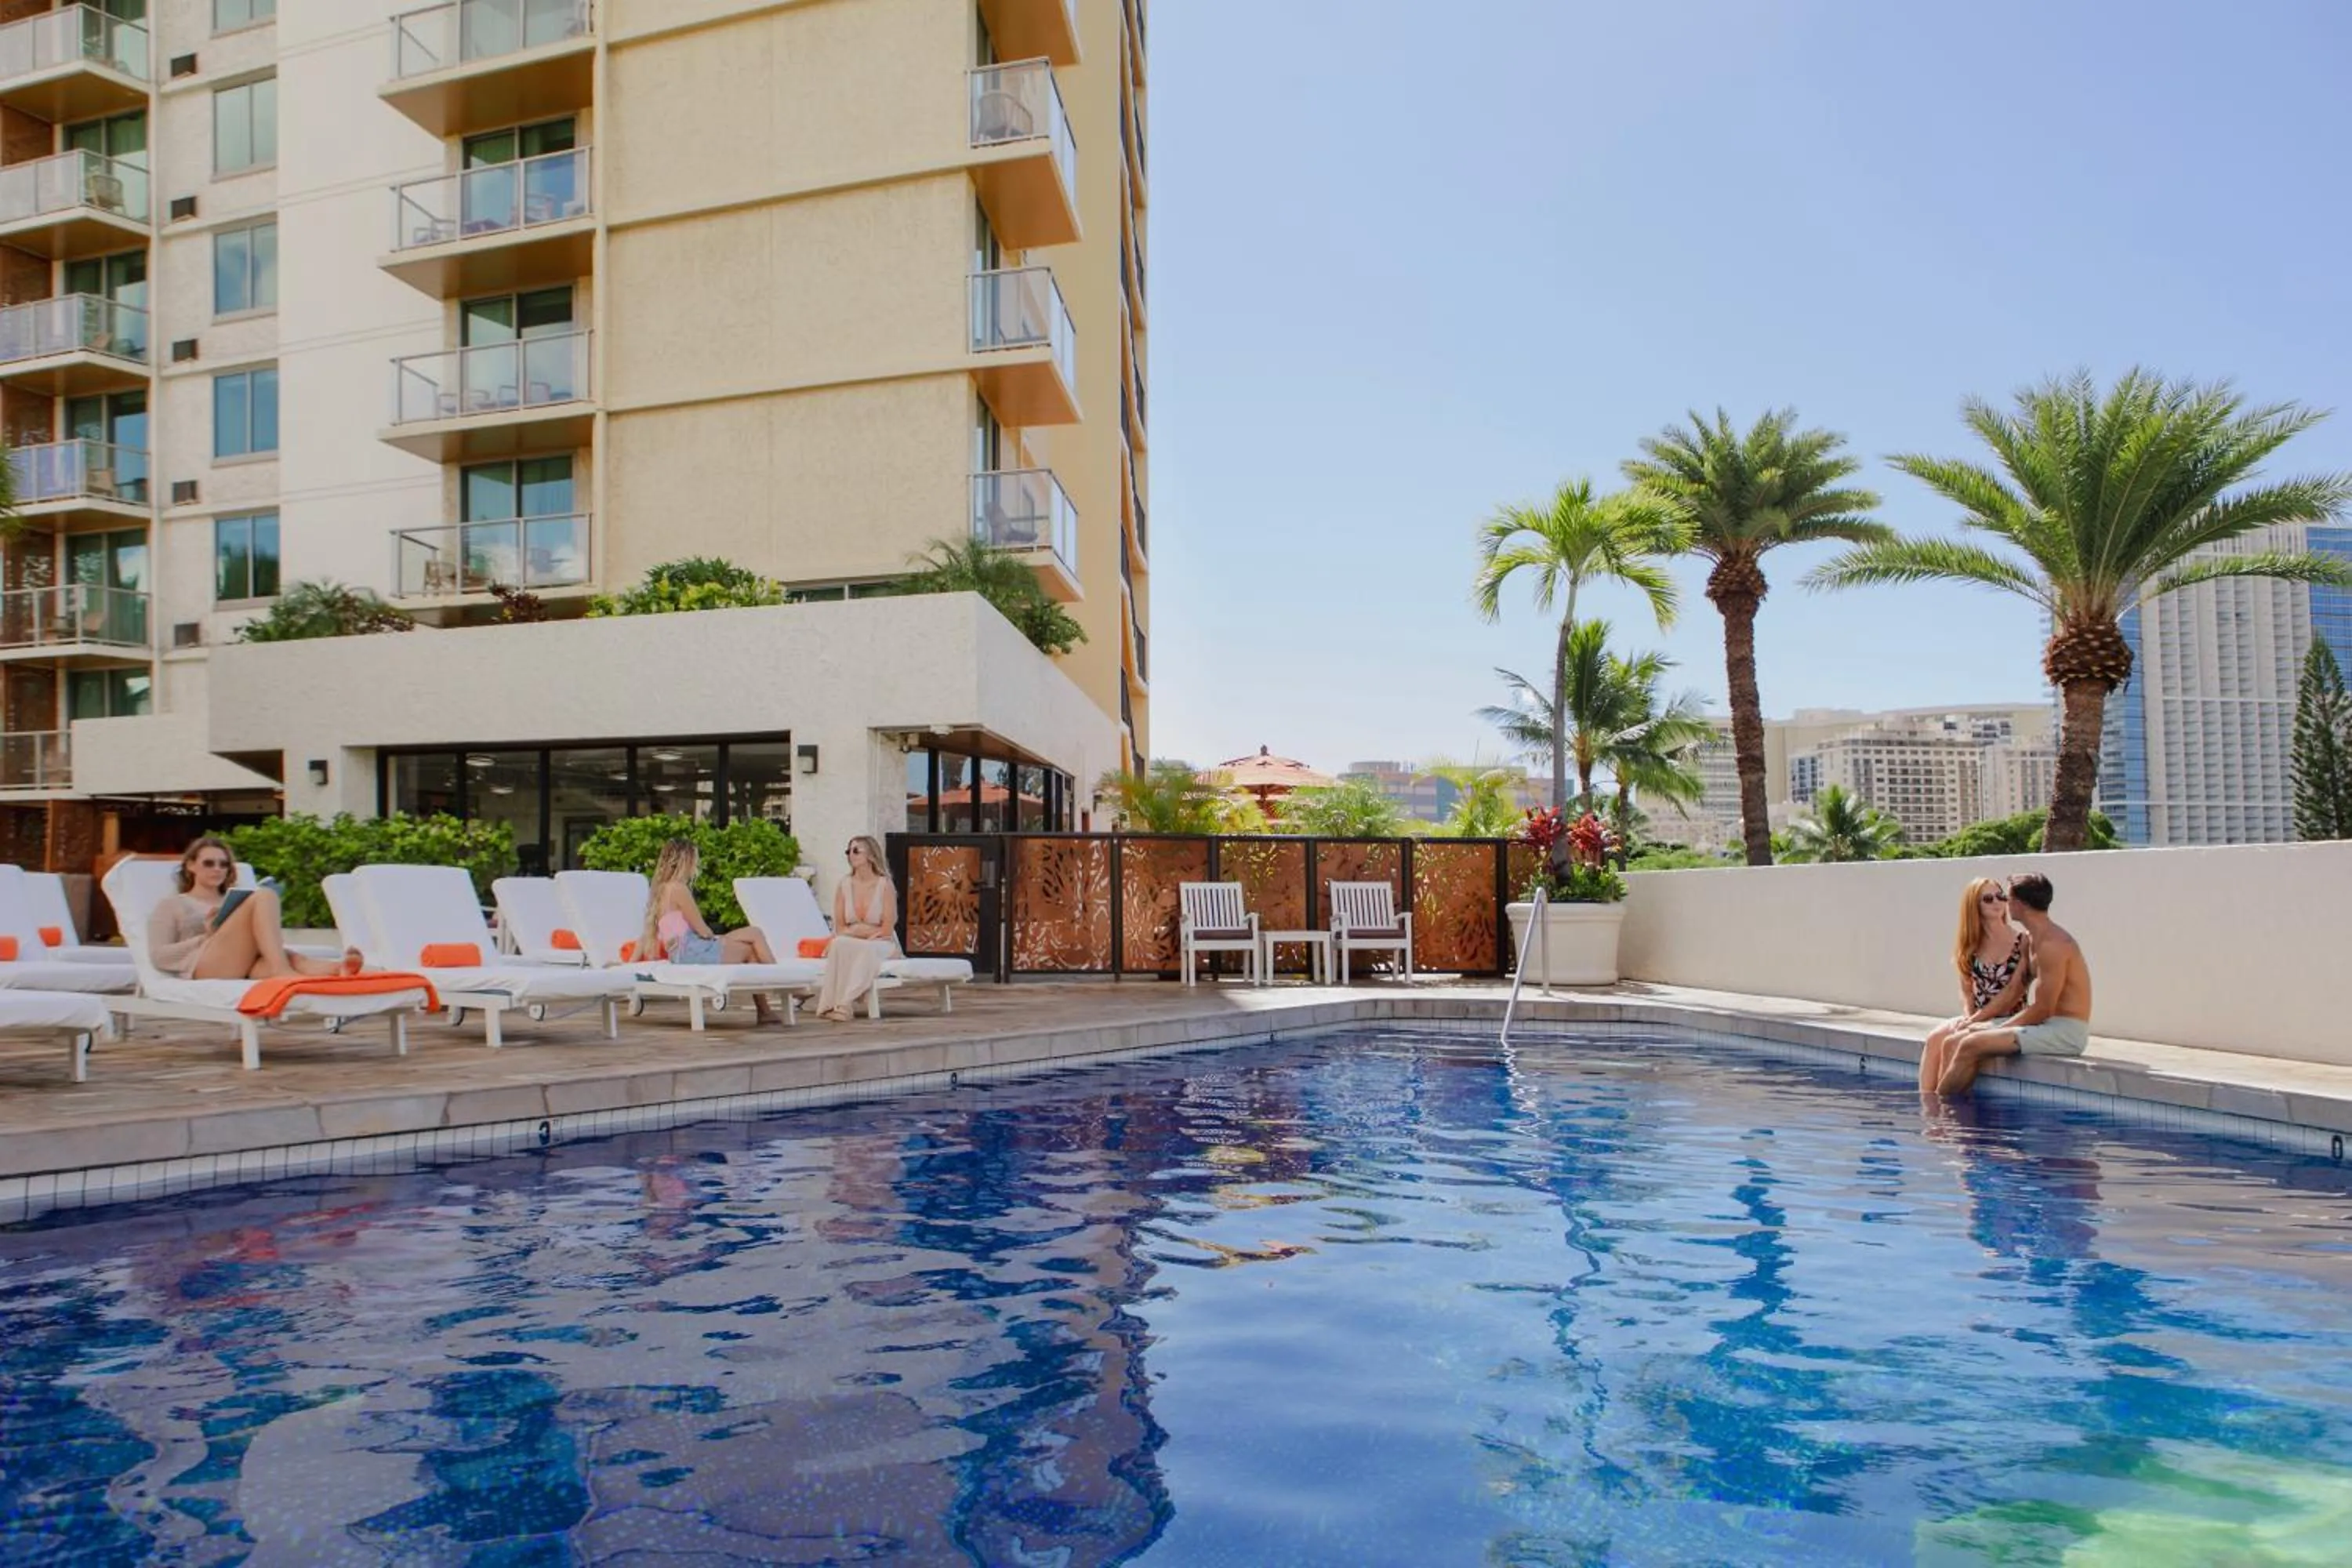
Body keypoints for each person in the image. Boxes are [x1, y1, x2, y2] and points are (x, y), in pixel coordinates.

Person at [1934, 872, 2092, 1095]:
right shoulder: (2030, 940)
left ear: (2019, 904)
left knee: (1971, 1044)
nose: (2004, 903)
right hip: (2044, 1025)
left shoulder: (2054, 945)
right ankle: (1950, 1111)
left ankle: (1943, 1116)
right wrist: (1976, 1020)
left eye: (2006, 898)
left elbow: (2044, 1008)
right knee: (1953, 1041)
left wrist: (1998, 1028)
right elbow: (2013, 990)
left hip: (2065, 1031)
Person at [147, 836, 362, 982]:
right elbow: (158, 955)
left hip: (243, 964)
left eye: (223, 865)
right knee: (264, 895)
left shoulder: (232, 900)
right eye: (209, 863)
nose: (217, 869)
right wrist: (206, 936)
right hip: (206, 965)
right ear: (191, 866)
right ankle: (282, 971)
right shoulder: (172, 904)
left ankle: (337, 970)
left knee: (294, 959)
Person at [641, 839, 786, 1025]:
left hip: (681, 953)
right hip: (693, 951)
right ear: (687, 861)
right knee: (753, 939)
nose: (697, 864)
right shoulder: (678, 889)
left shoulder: (661, 891)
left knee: (752, 936)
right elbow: (702, 930)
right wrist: (717, 938)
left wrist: (720, 939)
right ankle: (781, 983)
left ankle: (766, 1009)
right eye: (695, 859)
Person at [1917, 877, 2029, 1093]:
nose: (1997, 902)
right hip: (1978, 1016)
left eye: (2000, 896)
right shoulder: (1970, 946)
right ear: (1974, 906)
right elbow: (1967, 992)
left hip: (2009, 1017)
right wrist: (1969, 1018)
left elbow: (2013, 993)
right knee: (1934, 1039)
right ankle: (1929, 1107)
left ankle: (1944, 1107)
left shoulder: (2022, 941)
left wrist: (1974, 1021)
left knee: (1954, 1041)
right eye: (1988, 899)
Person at [814, 836, 898, 1022]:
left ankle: (844, 1004)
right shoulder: (844, 885)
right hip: (854, 941)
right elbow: (841, 927)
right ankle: (830, 1005)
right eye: (848, 851)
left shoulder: (884, 885)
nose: (850, 855)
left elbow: (886, 929)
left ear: (870, 855)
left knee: (863, 948)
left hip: (880, 943)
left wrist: (857, 931)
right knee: (838, 944)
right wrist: (862, 932)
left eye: (856, 851)